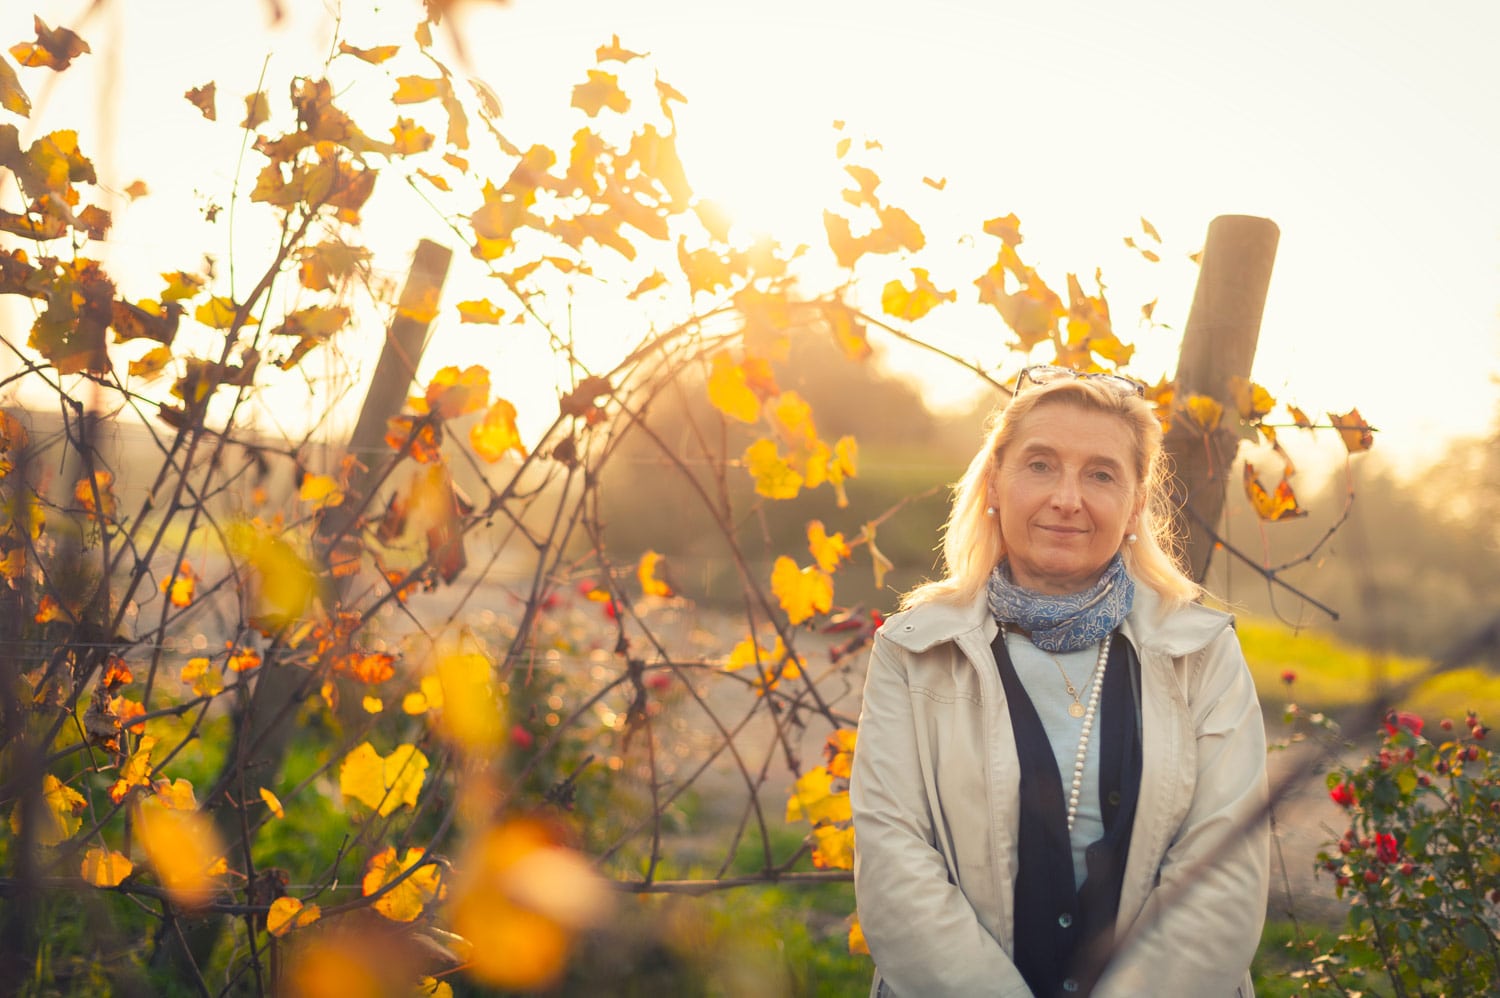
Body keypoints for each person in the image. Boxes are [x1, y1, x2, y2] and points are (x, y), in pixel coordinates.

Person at [850, 366, 1270, 997]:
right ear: (995, 483)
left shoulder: (1203, 652)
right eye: (1040, 464)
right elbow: (894, 863)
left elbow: (1224, 876)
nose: (1067, 499)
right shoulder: (913, 649)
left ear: (1134, 507)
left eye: (1100, 474)